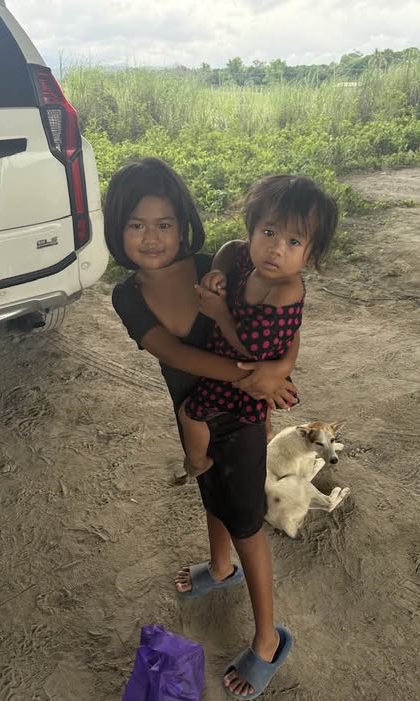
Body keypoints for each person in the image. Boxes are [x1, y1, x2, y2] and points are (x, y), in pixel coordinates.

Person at [106, 158, 311, 699]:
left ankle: (267, 639)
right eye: (136, 225)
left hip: (241, 419)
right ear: (116, 228)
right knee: (208, 488)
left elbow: (285, 318)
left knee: (245, 522)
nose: (152, 238)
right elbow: (174, 353)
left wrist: (279, 369)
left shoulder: (213, 267)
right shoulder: (128, 295)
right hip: (193, 408)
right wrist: (252, 375)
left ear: (184, 224)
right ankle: (221, 569)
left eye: (164, 224)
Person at [178, 174, 338, 478]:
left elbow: (252, 350)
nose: (276, 248)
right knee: (257, 418)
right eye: (268, 232)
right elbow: (230, 248)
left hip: (243, 374)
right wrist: (217, 270)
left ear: (311, 255)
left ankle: (197, 462)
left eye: (294, 242)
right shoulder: (251, 260)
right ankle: (263, 428)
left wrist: (220, 314)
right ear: (252, 229)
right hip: (245, 365)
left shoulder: (284, 290)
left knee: (189, 414)